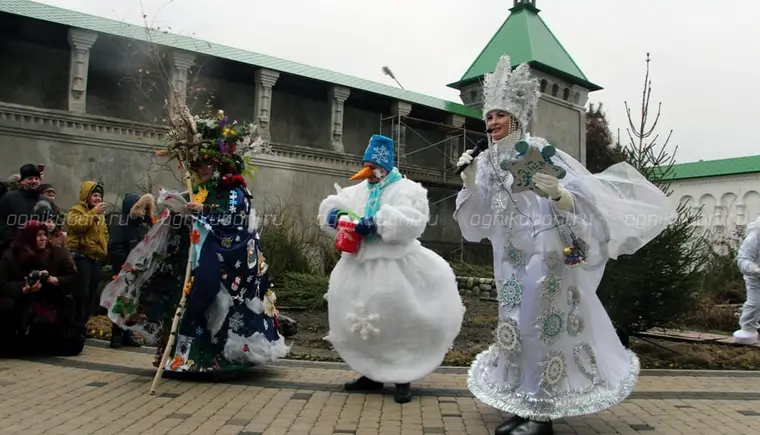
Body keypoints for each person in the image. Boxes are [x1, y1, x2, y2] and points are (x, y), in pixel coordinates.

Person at [453, 55, 676, 435]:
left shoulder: (537, 149)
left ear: (518, 117)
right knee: (516, 326)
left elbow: (581, 202)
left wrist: (558, 195)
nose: (491, 123)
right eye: (488, 116)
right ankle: (523, 399)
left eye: (499, 115)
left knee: (543, 327)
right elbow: (478, 223)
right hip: (509, 260)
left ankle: (542, 414)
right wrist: (469, 182)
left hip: (547, 256)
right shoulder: (487, 162)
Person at [100, 108, 288, 372]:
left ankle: (218, 356)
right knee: (179, 297)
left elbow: (237, 217)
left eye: (208, 164)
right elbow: (184, 216)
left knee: (211, 291)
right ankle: (182, 355)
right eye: (198, 164)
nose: (203, 169)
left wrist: (207, 213)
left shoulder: (233, 189)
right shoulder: (194, 188)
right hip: (189, 257)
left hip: (227, 259)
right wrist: (178, 212)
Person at [318, 134, 465, 404]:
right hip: (358, 265)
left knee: (398, 319)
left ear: (384, 166)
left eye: (373, 168)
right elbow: (338, 203)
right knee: (358, 319)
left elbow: (414, 221)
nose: (369, 174)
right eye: (366, 167)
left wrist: (377, 224)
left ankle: (402, 376)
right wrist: (335, 215)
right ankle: (370, 373)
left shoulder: (406, 189)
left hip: (394, 266)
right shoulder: (360, 188)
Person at [0, 220, 82, 356]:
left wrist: (53, 279)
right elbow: (2, 283)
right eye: (38, 235)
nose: (43, 238)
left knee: (68, 342)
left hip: (48, 302)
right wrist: (25, 287)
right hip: (20, 303)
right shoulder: (11, 256)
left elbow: (74, 278)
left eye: (45, 234)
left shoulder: (56, 253)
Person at [106, 193, 155, 348]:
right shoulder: (121, 226)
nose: (141, 212)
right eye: (139, 208)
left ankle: (127, 332)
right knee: (121, 302)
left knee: (133, 304)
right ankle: (116, 334)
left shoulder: (144, 225)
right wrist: (128, 263)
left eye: (144, 209)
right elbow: (115, 248)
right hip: (125, 271)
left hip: (140, 271)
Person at [66, 181, 108, 335]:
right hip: (81, 257)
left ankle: (82, 325)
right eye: (94, 195)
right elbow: (75, 225)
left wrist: (104, 251)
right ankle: (75, 326)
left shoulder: (101, 215)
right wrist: (93, 213)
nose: (98, 199)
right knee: (80, 293)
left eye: (99, 196)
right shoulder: (76, 210)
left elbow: (104, 234)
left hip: (96, 258)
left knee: (91, 294)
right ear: (87, 196)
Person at [0, 164, 42, 252]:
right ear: (22, 181)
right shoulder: (10, 198)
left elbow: (53, 222)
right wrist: (10, 241)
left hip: (38, 250)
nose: (34, 181)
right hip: (13, 249)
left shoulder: (45, 201)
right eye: (30, 178)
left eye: (36, 178)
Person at [734, 219, 760, 345]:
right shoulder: (754, 237)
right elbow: (743, 259)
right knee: (755, 304)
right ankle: (748, 329)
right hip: (756, 279)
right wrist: (755, 269)